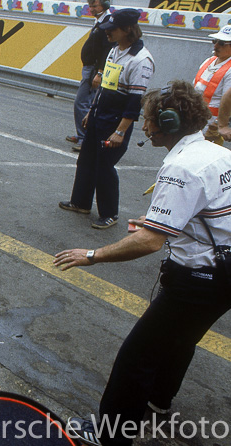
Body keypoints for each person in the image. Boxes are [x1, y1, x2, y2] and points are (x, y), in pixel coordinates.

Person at [54, 80, 231, 446]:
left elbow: (150, 241)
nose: (145, 126)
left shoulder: (181, 168)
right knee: (182, 340)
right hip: (224, 275)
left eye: (149, 120)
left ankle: (111, 435)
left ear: (167, 123)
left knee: (136, 357)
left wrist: (92, 255)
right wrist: (164, 222)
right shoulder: (218, 153)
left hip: (196, 280)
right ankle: (158, 403)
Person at [59, 9, 154, 229]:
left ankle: (110, 213)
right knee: (86, 159)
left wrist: (120, 131)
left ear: (127, 30)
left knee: (104, 166)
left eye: (112, 30)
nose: (107, 33)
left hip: (116, 120)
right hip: (99, 114)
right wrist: (91, 111)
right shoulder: (114, 51)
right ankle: (80, 202)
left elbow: (134, 101)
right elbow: (104, 86)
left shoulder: (141, 60)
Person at [67, 0, 113, 152]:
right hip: (91, 67)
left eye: (94, 6)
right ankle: (82, 134)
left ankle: (84, 137)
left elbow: (106, 50)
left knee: (82, 102)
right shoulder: (100, 21)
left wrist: (99, 72)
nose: (91, 9)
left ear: (105, 6)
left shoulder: (107, 23)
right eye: (90, 6)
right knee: (87, 103)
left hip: (94, 69)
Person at [196, 25, 231, 140]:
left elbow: (228, 99)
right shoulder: (210, 61)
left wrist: (218, 124)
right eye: (215, 41)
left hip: (210, 126)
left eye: (221, 43)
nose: (215, 45)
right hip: (195, 119)